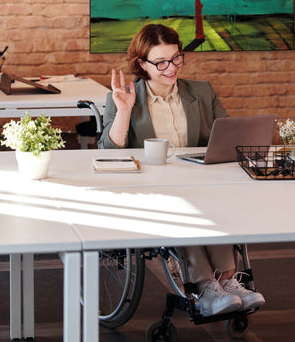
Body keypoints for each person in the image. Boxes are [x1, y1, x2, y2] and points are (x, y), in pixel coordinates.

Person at [99, 23, 265, 317]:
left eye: (176, 58)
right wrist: (123, 112)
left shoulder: (201, 92)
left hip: (200, 184)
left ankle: (229, 281)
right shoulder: (126, 96)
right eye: (160, 62)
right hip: (152, 190)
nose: (171, 67)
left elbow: (227, 138)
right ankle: (206, 286)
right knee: (183, 208)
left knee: (218, 203)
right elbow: (108, 154)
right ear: (142, 64)